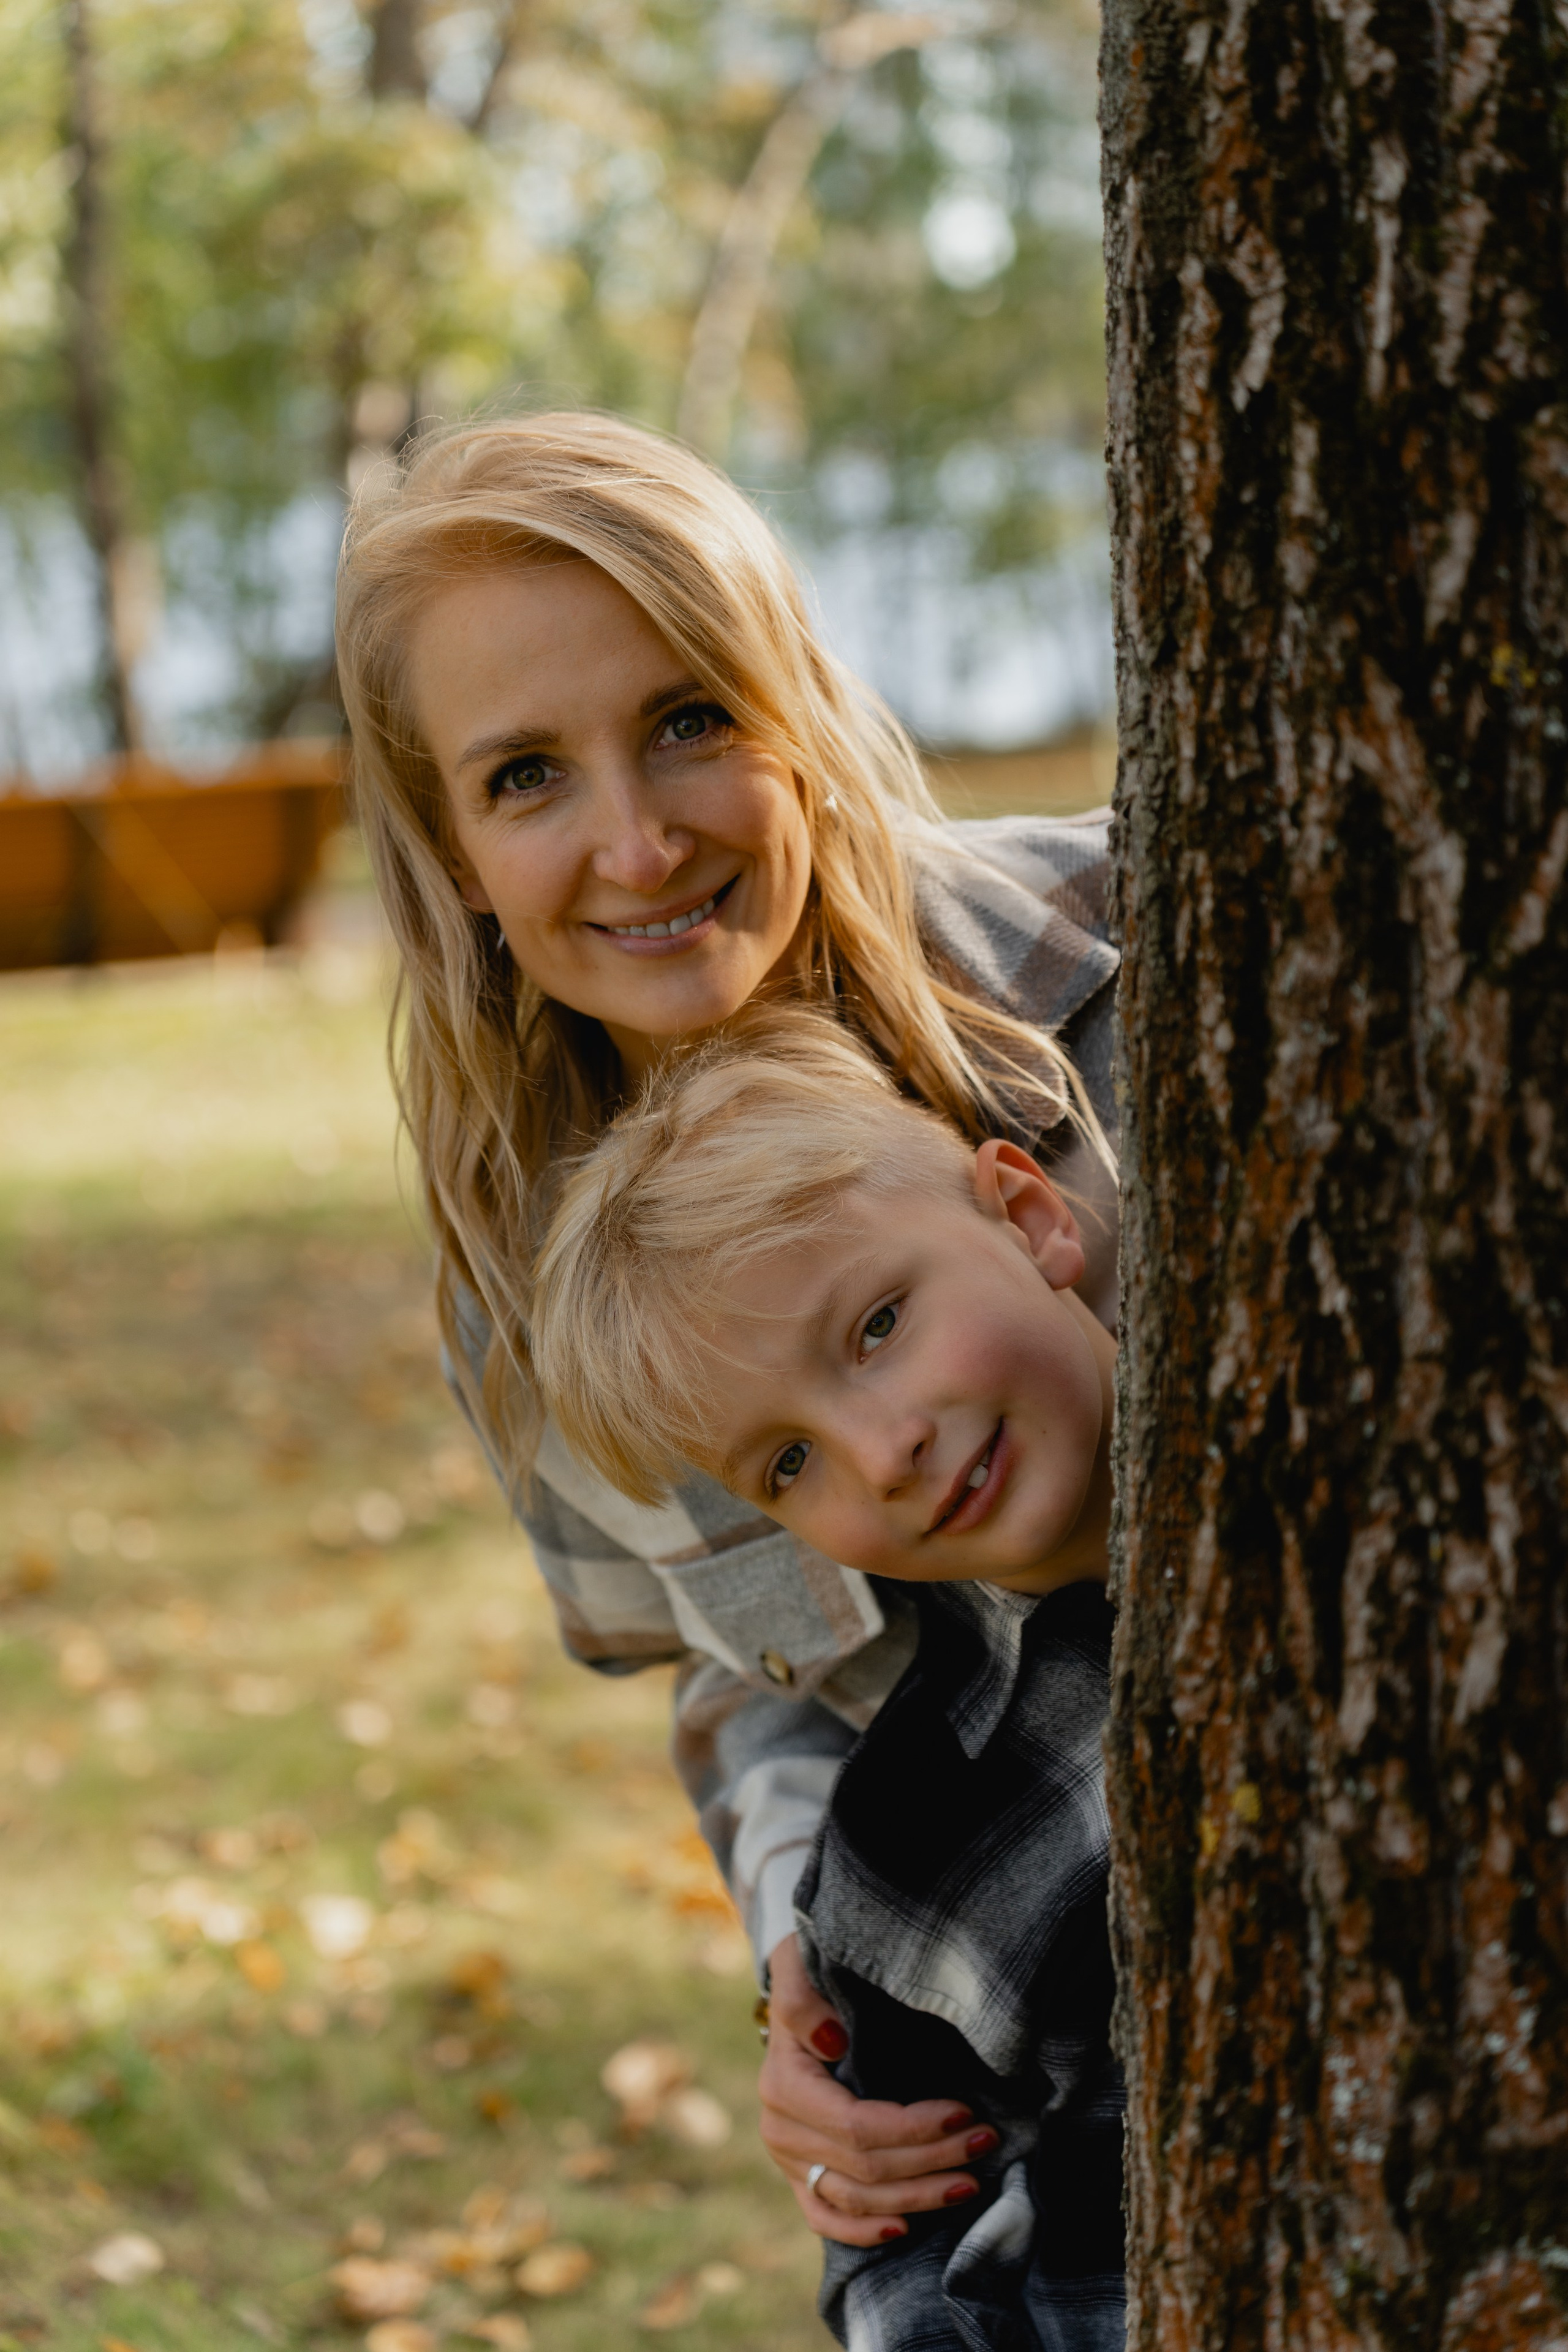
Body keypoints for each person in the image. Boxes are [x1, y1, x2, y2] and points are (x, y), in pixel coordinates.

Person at [334, 410, 1121, 2245]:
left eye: (690, 719)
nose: (637, 843)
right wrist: (801, 1954)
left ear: (798, 704)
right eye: (527, 776)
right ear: (453, 852)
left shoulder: (1146, 962)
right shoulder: (527, 1317)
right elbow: (752, 1673)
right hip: (1032, 1997)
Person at [529, 1014, 1123, 2350]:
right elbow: (899, 2255)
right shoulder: (913, 1840)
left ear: (1031, 1218)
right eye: (788, 1464)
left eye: (877, 1327)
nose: (880, 1452)